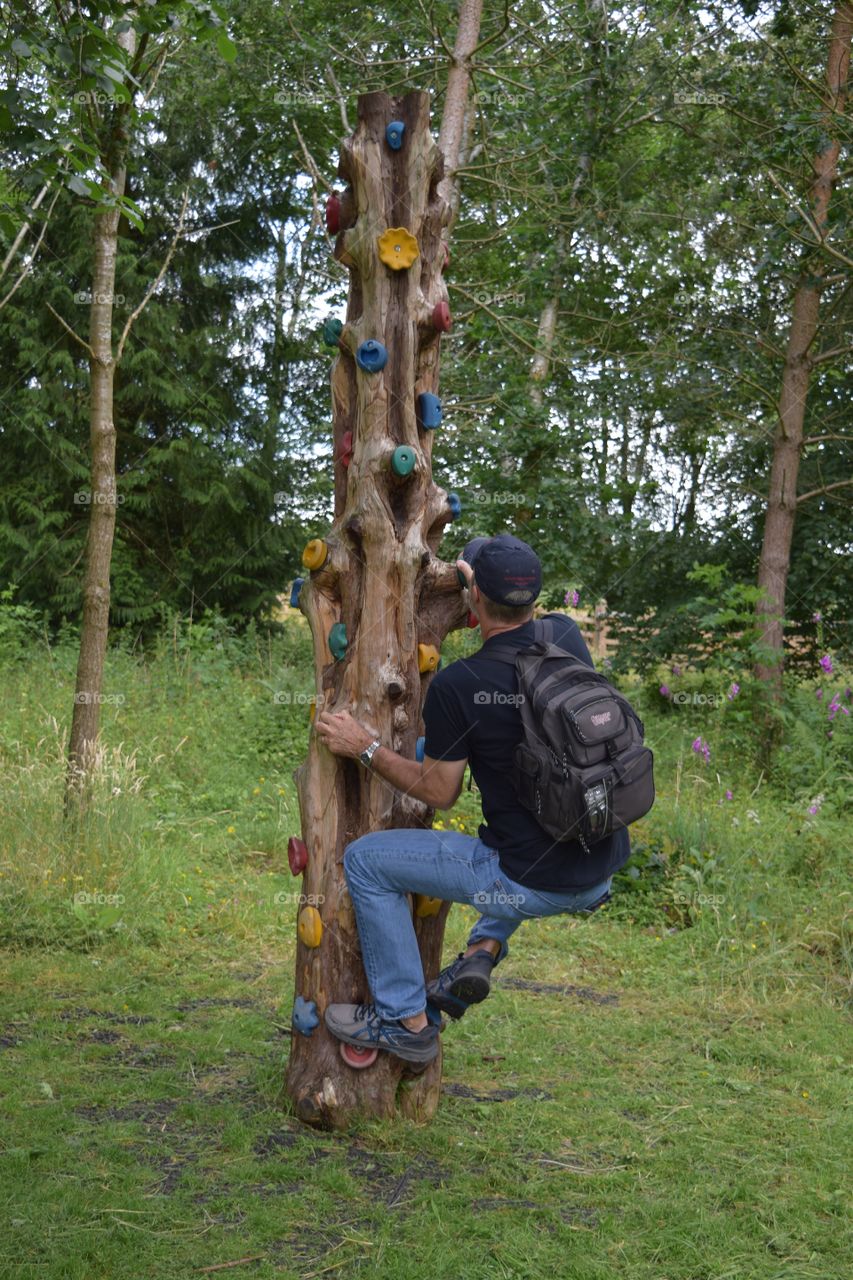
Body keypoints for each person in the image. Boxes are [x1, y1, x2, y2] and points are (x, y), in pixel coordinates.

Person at [315, 534, 631, 1066]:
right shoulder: (567, 639)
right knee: (522, 830)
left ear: (474, 595)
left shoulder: (460, 686)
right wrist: (480, 587)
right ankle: (482, 950)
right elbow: (521, 616)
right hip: (598, 864)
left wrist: (362, 746)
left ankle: (404, 1021)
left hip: (527, 884)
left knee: (365, 862)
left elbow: (441, 793)